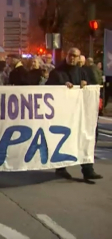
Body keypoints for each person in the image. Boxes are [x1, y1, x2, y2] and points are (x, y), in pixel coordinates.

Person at [46, 47, 103, 180]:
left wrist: (86, 84)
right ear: (66, 55)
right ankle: (61, 168)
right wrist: (62, 85)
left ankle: (88, 169)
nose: (72, 58)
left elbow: (93, 86)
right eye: (71, 55)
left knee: (86, 138)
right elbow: (49, 88)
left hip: (80, 112)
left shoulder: (82, 72)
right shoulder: (57, 72)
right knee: (63, 140)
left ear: (78, 58)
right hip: (64, 113)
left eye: (75, 56)